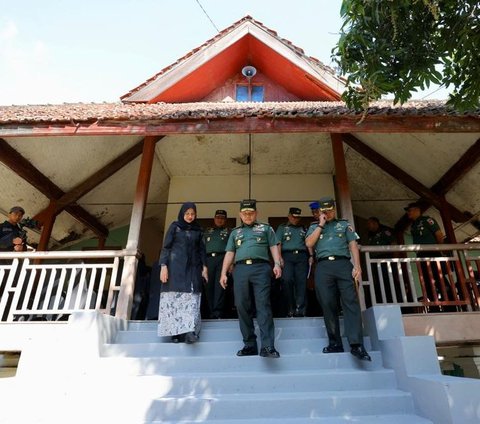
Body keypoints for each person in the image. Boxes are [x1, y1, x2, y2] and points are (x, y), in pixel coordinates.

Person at [306, 196, 371, 361]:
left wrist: (357, 265)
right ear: (320, 212)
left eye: (330, 210)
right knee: (327, 304)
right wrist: (320, 224)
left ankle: (356, 344)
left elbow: (353, 245)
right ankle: (335, 342)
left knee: (350, 303)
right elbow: (309, 244)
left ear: (334, 210)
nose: (327, 213)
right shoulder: (314, 227)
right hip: (323, 267)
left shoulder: (344, 224)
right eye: (324, 211)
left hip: (343, 265)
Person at [220, 199, 282, 358]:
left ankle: (268, 346)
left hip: (261, 269)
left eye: (251, 213)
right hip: (240, 270)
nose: (248, 216)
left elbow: (273, 246)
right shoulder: (235, 232)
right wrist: (223, 273)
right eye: (245, 213)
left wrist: (276, 263)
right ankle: (249, 344)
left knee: (263, 306)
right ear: (240, 214)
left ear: (256, 213)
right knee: (241, 305)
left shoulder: (266, 229)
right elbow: (229, 253)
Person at [158, 202, 208, 343]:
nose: (190, 216)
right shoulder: (175, 227)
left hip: (193, 268)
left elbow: (202, 250)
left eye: (192, 214)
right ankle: (175, 333)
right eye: (187, 214)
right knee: (176, 299)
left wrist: (205, 268)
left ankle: (189, 332)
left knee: (192, 298)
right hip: (175, 268)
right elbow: (166, 247)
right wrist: (163, 266)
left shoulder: (198, 230)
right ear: (182, 214)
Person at [404, 202, 449, 308]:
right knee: (426, 280)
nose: (408, 213)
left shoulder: (427, 220)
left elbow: (439, 235)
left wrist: (440, 250)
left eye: (409, 210)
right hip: (421, 255)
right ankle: (434, 306)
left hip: (433, 253)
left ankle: (449, 304)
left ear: (417, 210)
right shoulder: (413, 225)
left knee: (439, 278)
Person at [276, 207, 313, 317]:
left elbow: (308, 242)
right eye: (293, 217)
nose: (295, 219)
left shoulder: (303, 228)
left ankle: (300, 309)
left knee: (301, 282)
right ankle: (290, 307)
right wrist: (279, 258)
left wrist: (311, 255)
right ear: (289, 216)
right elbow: (278, 244)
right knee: (286, 280)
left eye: (298, 217)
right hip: (287, 256)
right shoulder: (282, 228)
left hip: (301, 256)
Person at [204, 209, 231, 318]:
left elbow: (232, 249)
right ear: (214, 218)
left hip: (222, 259)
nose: (219, 220)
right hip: (208, 259)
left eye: (222, 218)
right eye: (218, 217)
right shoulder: (207, 231)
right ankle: (210, 311)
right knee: (208, 285)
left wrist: (231, 263)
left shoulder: (229, 231)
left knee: (220, 286)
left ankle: (218, 312)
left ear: (225, 220)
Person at [365, 217, 395, 303]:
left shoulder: (384, 231)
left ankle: (391, 300)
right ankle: (383, 300)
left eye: (369, 223)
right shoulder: (370, 234)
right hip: (375, 261)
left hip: (385, 260)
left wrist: (395, 259)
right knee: (379, 281)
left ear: (375, 223)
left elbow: (394, 244)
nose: (368, 226)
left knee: (388, 280)